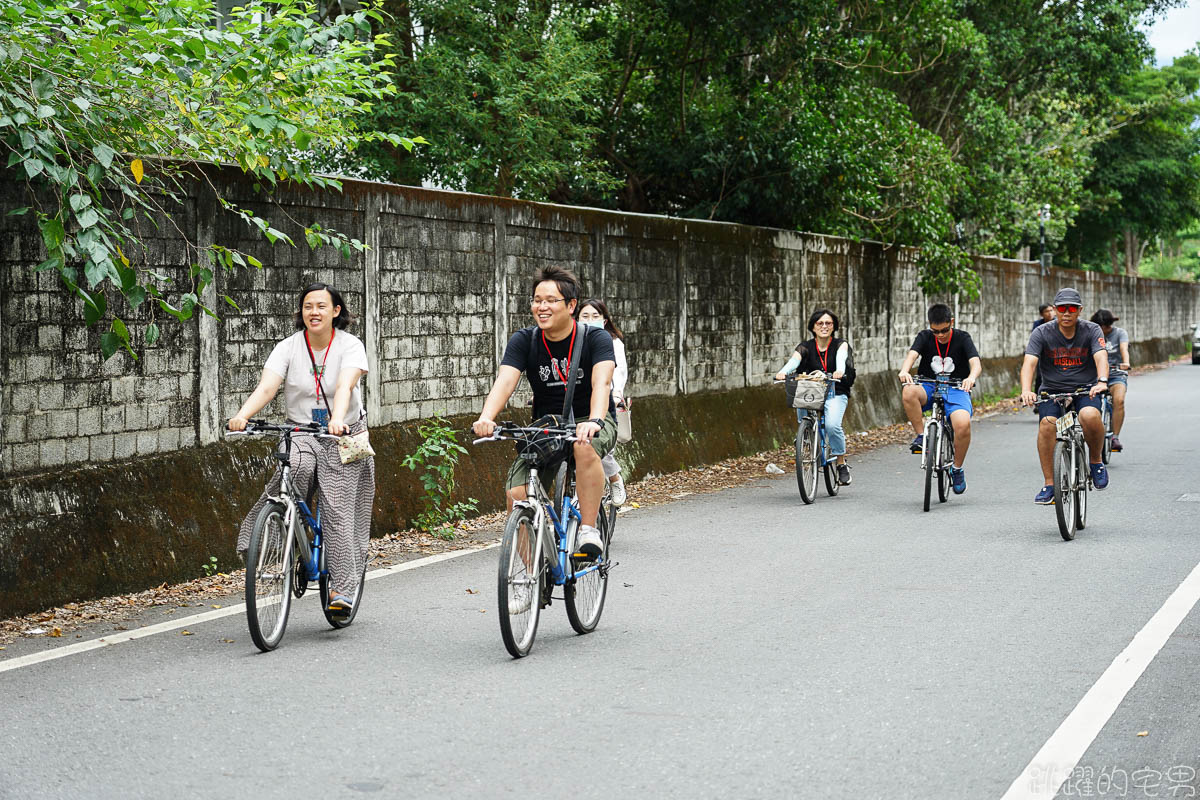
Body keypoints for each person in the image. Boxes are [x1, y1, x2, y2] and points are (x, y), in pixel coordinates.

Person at [229, 283, 375, 616]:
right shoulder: (289, 347)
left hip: (343, 433)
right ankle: (266, 542)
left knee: (338, 507)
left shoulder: (350, 346)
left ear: (335, 311)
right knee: (293, 471)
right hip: (299, 431)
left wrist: (337, 419)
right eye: (308, 306)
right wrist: (242, 416)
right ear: (301, 311)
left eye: (322, 306)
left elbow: (344, 385)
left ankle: (341, 589)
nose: (314, 312)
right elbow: (267, 387)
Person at [473, 266, 617, 560]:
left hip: (591, 420)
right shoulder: (525, 340)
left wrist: (594, 421)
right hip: (547, 425)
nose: (542, 306)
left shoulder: (595, 339)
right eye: (537, 300)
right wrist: (486, 417)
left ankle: (589, 530)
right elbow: (505, 381)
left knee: (583, 445)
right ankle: (527, 580)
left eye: (551, 300)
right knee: (516, 493)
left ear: (571, 305)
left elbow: (601, 382)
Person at [1019, 287, 1110, 504]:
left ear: (1079, 310)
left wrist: (1102, 381)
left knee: (1089, 416)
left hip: (1085, 389)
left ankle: (1096, 461)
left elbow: (1101, 357)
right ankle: (1049, 484)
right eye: (1061, 309)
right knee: (1047, 425)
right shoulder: (1041, 332)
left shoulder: (1091, 330)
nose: (1066, 313)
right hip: (1052, 390)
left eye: (1071, 309)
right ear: (1055, 310)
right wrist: (1026, 390)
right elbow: (1029, 363)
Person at [897, 303, 982, 494]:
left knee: (962, 424)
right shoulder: (924, 337)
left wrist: (971, 378)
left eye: (944, 330)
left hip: (956, 387)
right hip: (929, 385)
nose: (940, 335)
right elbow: (912, 355)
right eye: (936, 331)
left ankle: (957, 469)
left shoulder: (962, 337)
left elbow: (975, 363)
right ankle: (921, 435)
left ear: (952, 322)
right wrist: (904, 370)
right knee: (908, 391)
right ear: (930, 326)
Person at [774, 309, 855, 485]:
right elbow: (794, 361)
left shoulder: (840, 344)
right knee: (801, 399)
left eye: (828, 323)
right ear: (813, 326)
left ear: (834, 327)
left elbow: (841, 358)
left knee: (833, 425)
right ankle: (807, 435)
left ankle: (841, 463)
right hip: (811, 390)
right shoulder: (806, 346)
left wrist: (839, 370)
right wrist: (782, 372)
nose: (824, 326)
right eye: (820, 323)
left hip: (835, 390)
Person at [576, 299, 629, 506]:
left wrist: (616, 394)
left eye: (595, 317)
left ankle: (614, 478)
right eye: (585, 316)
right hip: (578, 400)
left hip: (605, 399)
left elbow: (619, 373)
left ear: (604, 320)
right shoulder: (572, 341)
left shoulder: (613, 342)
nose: (590, 321)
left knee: (596, 446)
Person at [1091, 308, 1130, 452]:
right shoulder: (1092, 333)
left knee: (1119, 400)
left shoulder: (1120, 333)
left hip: (1116, 373)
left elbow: (1124, 349)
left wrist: (1126, 362)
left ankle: (1115, 437)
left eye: (1108, 325)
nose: (1107, 329)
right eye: (1103, 326)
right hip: (1095, 374)